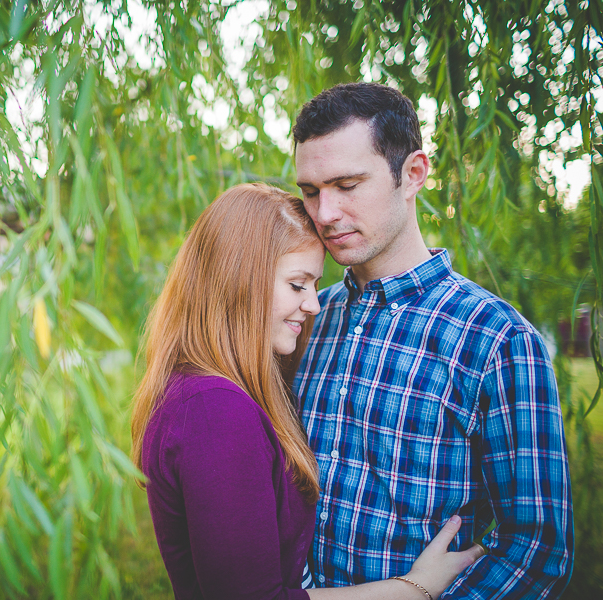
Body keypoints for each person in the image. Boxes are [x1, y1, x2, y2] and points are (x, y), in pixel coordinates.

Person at [131, 183, 482, 600]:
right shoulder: (215, 411)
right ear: (239, 280)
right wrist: (413, 588)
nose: (314, 304)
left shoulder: (202, 391)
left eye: (315, 286)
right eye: (298, 285)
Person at [291, 82, 574, 599]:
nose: (324, 214)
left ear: (414, 174)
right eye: (310, 191)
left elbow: (536, 550)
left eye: (348, 185)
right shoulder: (306, 319)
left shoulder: (498, 340)